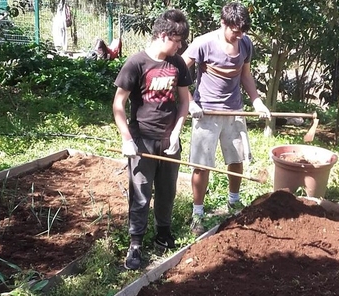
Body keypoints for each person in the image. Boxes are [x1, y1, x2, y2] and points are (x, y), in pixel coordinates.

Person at [181, 2, 270, 236]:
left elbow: (246, 75)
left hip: (235, 111)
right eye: (235, 31)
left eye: (243, 32)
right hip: (207, 113)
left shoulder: (245, 44)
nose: (239, 36)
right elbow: (178, 72)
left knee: (236, 158)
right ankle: (197, 213)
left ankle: (234, 201)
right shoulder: (203, 43)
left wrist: (257, 101)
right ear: (223, 23)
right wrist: (190, 102)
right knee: (202, 165)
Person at [112, 9, 192, 270]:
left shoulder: (177, 64)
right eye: (177, 41)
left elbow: (185, 102)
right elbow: (118, 105)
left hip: (168, 140)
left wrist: (177, 133)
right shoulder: (136, 63)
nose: (180, 46)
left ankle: (163, 233)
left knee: (167, 190)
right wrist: (127, 138)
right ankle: (135, 243)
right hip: (142, 140)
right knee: (141, 192)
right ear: (163, 35)